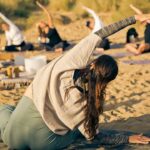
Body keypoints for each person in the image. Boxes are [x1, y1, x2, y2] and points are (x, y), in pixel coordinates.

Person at [0, 13, 150, 150]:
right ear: (106, 82)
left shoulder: (65, 66)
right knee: (76, 131)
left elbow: (101, 34)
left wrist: (134, 18)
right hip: (44, 144)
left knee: (7, 110)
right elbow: (95, 136)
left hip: (13, 139)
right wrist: (127, 138)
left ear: (92, 64)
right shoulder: (90, 102)